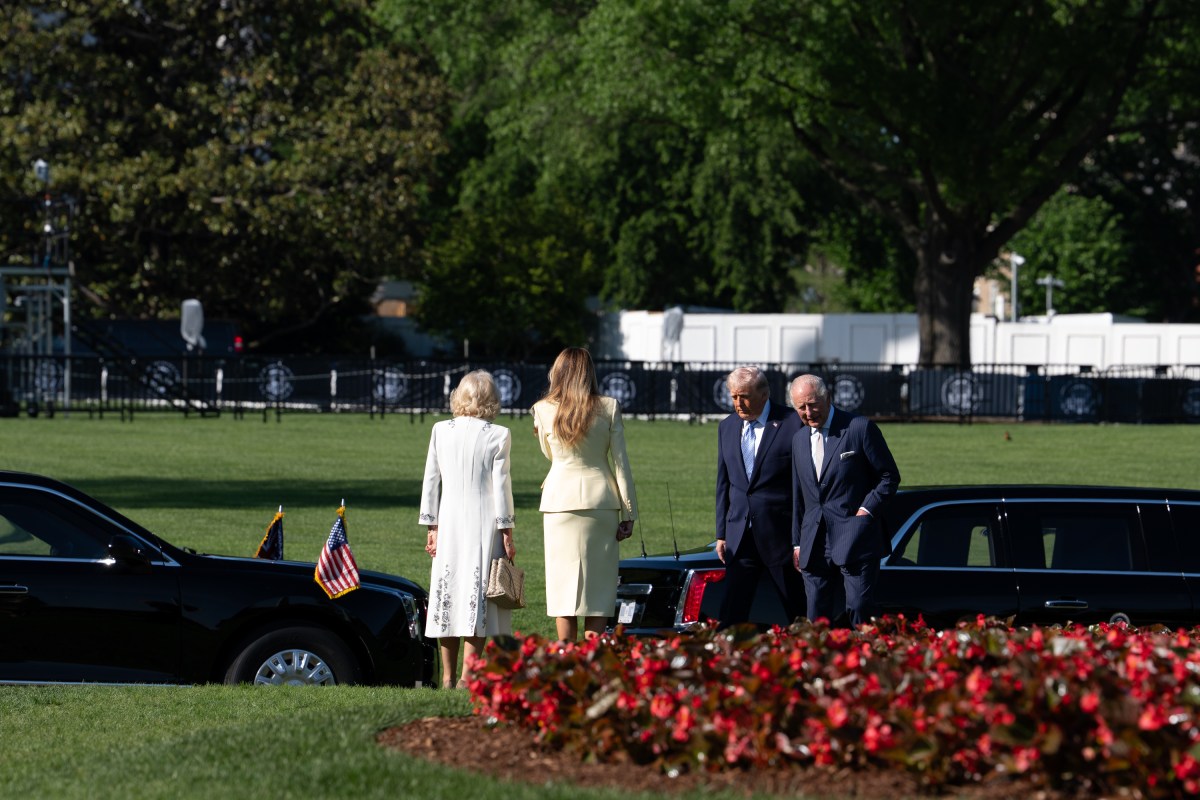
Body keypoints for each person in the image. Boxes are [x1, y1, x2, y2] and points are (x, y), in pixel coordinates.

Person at [532, 347, 638, 641]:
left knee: (562, 586)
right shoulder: (609, 406)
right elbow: (621, 464)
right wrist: (630, 513)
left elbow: (549, 455)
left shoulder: (542, 409)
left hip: (559, 502)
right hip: (601, 502)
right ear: (589, 372)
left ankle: (566, 654)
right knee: (599, 589)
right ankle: (593, 659)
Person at [419, 370, 516, 688]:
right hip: (483, 519)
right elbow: (501, 487)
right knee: (477, 595)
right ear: (491, 400)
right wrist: (507, 530)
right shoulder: (498, 434)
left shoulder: (440, 430)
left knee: (448, 593)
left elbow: (431, 480)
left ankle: (447, 677)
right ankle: (466, 676)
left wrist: (431, 526)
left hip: (449, 519)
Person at [789, 374, 900, 627]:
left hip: (855, 535)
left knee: (860, 609)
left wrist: (866, 511)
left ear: (828, 398)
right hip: (813, 540)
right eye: (801, 407)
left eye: (813, 404)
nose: (808, 412)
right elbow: (799, 494)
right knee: (816, 616)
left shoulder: (859, 428)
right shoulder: (798, 440)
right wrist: (797, 543)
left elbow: (889, 476)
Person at [715, 365, 805, 627]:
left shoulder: (792, 423)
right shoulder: (727, 427)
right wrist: (721, 532)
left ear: (764, 394)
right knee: (731, 615)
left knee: (797, 611)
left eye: (744, 396)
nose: (738, 403)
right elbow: (724, 483)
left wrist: (799, 538)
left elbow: (803, 484)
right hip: (739, 537)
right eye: (733, 396)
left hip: (781, 536)